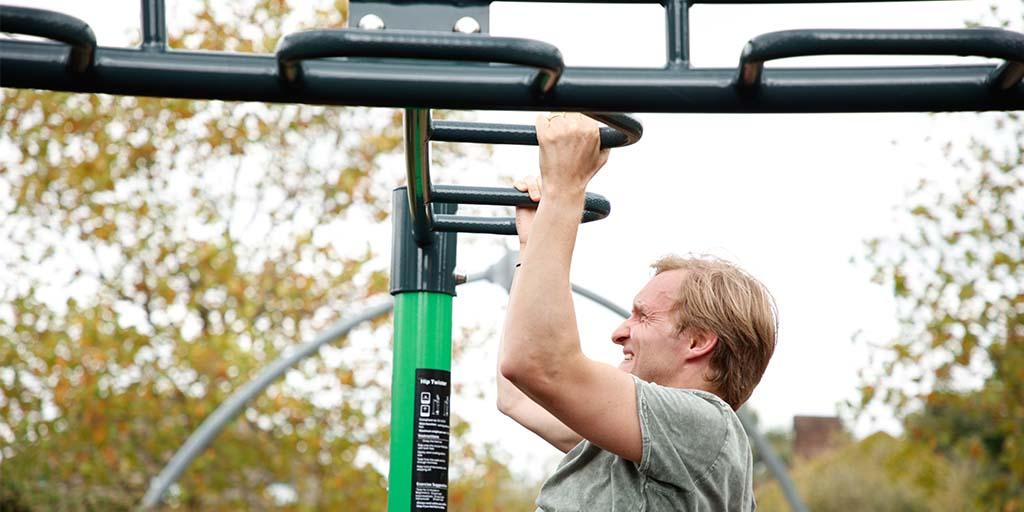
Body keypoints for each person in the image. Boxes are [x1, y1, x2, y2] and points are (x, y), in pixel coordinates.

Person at [497, 112, 777, 511]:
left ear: (697, 341)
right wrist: (533, 246)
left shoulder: (703, 427)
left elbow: (536, 364)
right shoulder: (636, 445)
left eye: (643, 316)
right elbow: (518, 396)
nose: (619, 332)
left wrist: (565, 188)